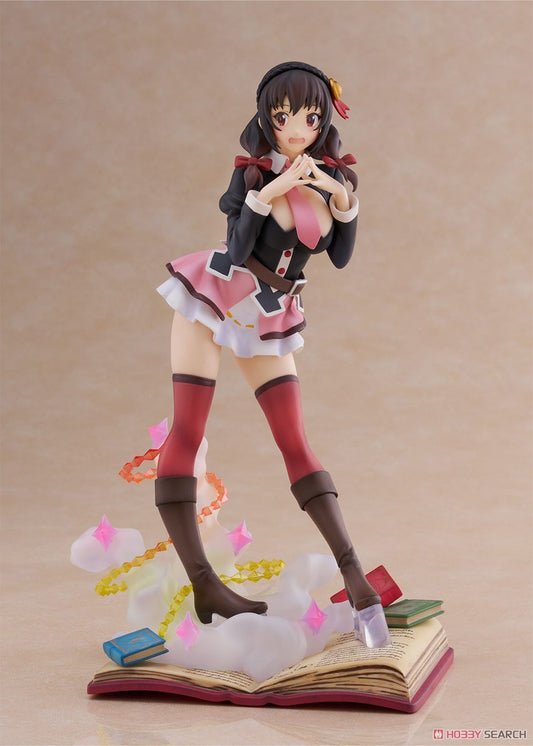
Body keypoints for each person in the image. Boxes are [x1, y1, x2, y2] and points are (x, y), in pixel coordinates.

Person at [154, 61, 390, 647]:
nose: (295, 128)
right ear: (266, 118)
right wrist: (270, 192)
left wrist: (342, 199)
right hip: (216, 295)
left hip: (268, 311)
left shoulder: (332, 178)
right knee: (188, 430)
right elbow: (237, 250)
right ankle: (204, 583)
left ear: (323, 119)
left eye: (308, 117)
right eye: (282, 117)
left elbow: (339, 257)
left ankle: (355, 576)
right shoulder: (252, 174)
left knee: (295, 440)